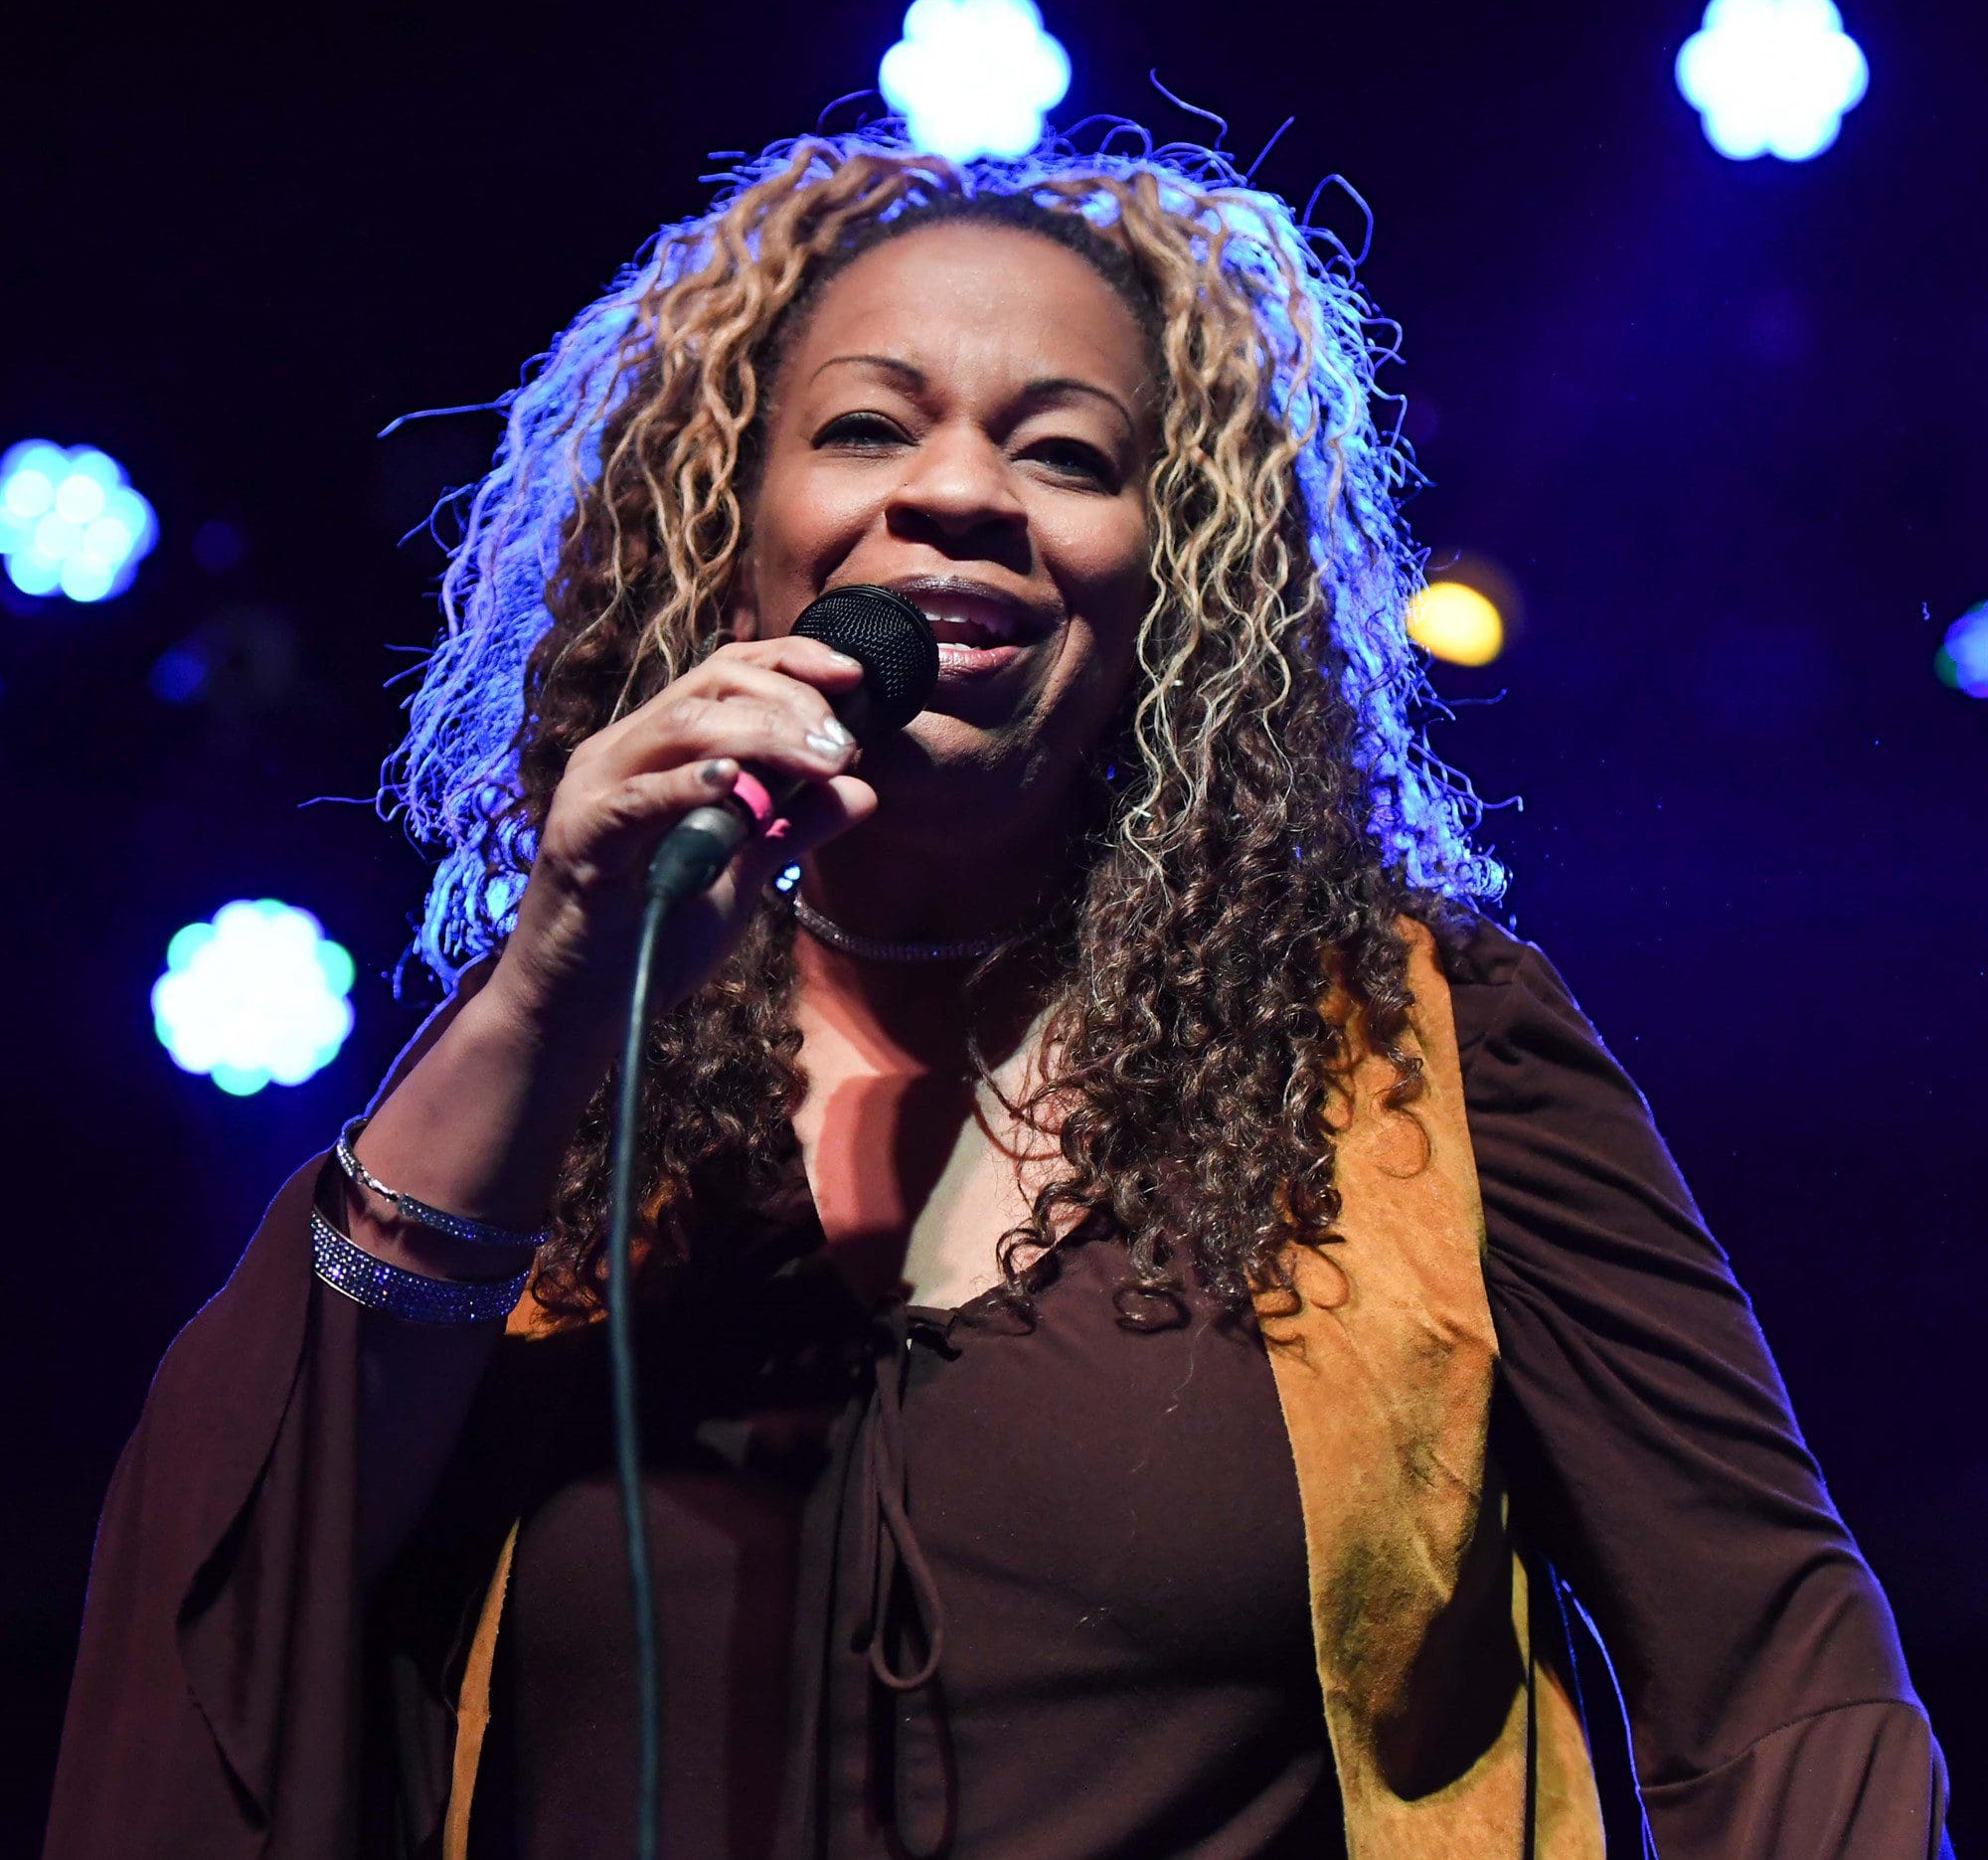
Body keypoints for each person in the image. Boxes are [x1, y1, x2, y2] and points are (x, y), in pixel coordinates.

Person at [45, 126, 1950, 1858]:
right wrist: (551, 980)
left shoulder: (1419, 1051)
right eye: (868, 428)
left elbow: (1781, 1673)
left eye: (1067, 453)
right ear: (727, 527)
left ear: (1177, 583)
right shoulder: (571, 1054)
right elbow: (242, 1594)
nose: (959, 491)